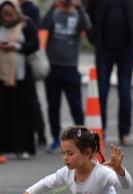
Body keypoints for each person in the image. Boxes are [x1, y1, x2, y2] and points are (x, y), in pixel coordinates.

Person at [86, 0, 133, 147]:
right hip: (104, 49)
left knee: (125, 92)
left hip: (127, 50)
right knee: (101, 92)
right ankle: (99, 133)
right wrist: (93, 37)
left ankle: (125, 134)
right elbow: (87, 14)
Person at [0, 0, 39, 159]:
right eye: (4, 13)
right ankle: (2, 147)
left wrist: (17, 46)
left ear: (16, 12)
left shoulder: (26, 25)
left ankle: (23, 148)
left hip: (20, 77)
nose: (7, 16)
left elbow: (35, 45)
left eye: (10, 13)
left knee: (21, 112)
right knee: (1, 112)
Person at [41, 0, 91, 153]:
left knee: (76, 106)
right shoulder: (55, 13)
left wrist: (79, 7)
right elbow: (43, 25)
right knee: (53, 106)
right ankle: (56, 139)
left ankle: (83, 140)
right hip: (53, 67)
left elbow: (87, 27)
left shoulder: (78, 14)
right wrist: (54, 5)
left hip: (70, 67)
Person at [19, 0, 47, 147]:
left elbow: (35, 35)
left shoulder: (32, 9)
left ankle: (40, 133)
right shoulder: (7, 9)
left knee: (32, 101)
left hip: (27, 61)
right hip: (12, 65)